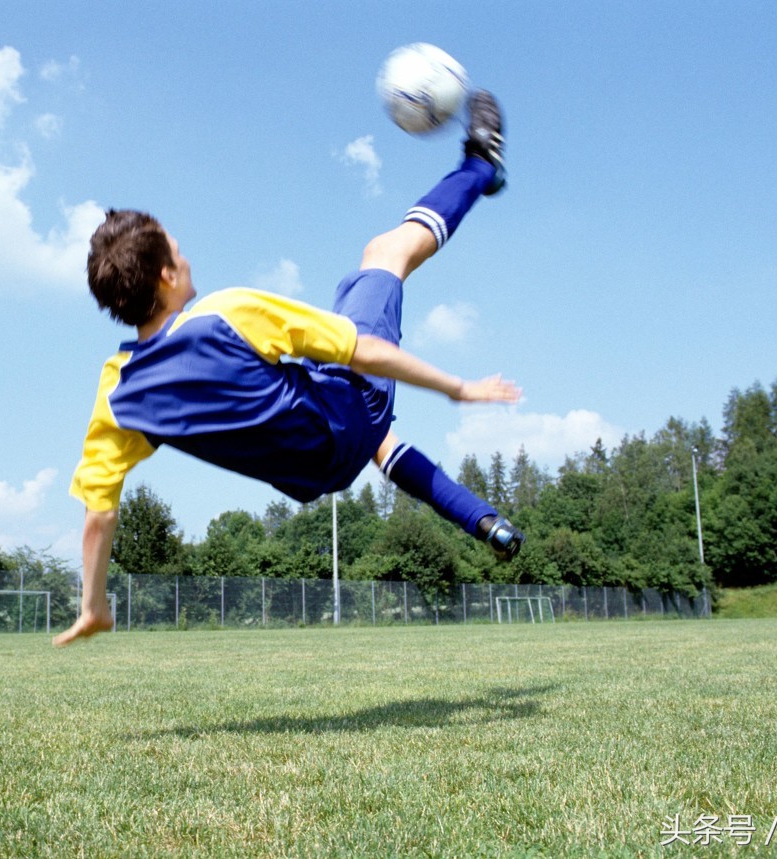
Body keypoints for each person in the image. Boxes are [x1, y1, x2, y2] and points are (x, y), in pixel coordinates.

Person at [55, 90, 524, 646]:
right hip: (352, 405)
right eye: (178, 253)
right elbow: (361, 352)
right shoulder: (225, 314)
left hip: (315, 476)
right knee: (385, 253)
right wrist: (457, 387)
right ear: (164, 277)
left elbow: (98, 514)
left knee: (370, 435)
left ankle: (482, 520)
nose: (187, 259)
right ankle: (478, 164)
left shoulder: (119, 391)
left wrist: (93, 605)